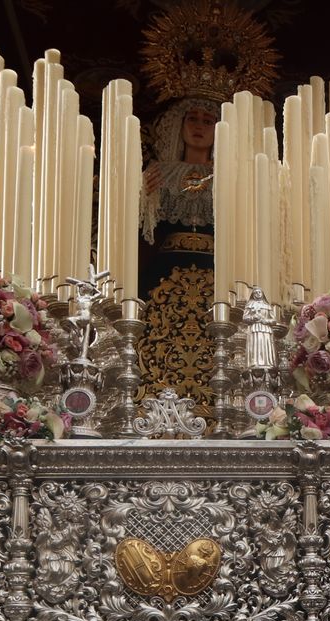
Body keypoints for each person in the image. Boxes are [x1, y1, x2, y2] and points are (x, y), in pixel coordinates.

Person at [138, 98, 219, 413]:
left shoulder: (230, 174)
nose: (199, 127)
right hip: (164, 272)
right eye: (193, 119)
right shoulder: (159, 173)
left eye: (208, 121)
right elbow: (141, 227)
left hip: (217, 271)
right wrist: (141, 192)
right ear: (178, 126)